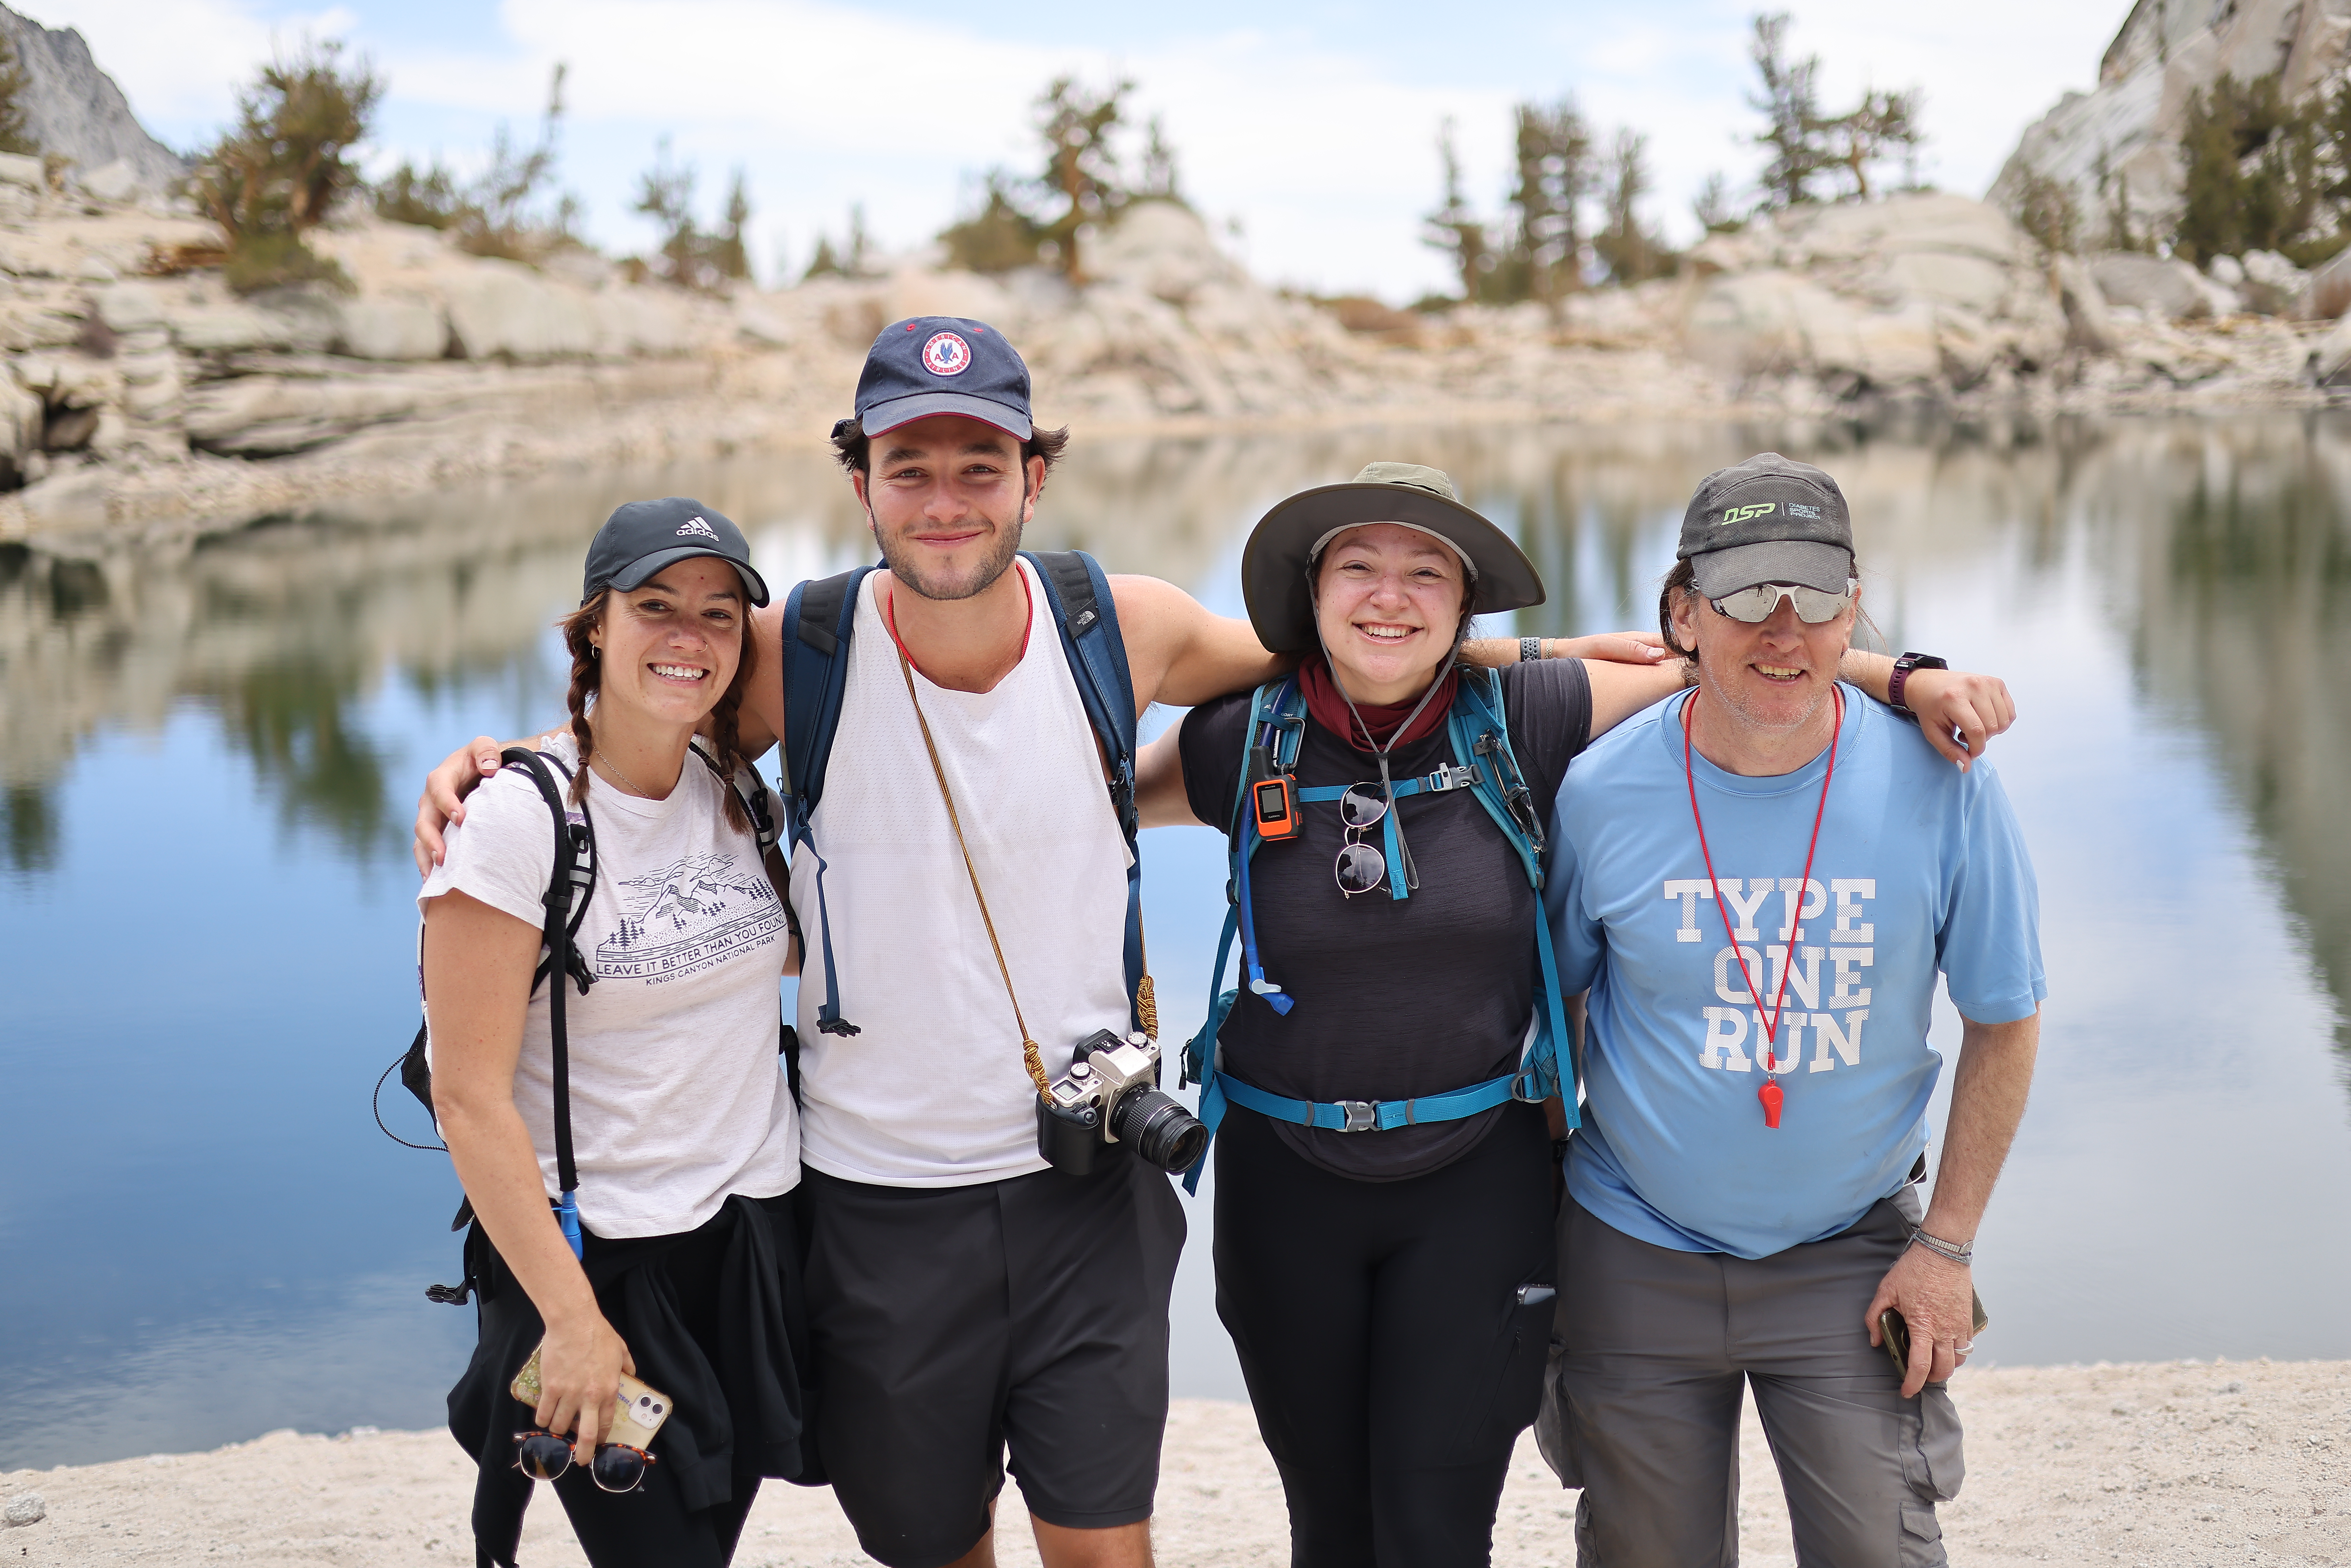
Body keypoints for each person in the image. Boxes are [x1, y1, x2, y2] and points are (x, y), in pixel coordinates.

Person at [414, 317, 1316, 1568]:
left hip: (1063, 1194)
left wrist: (1542, 668)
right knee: (927, 1542)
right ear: (860, 483)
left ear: (1032, 477)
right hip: (866, 1207)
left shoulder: (1115, 624)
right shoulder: (805, 651)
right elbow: (640, 713)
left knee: (1105, 1545)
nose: (945, 502)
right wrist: (500, 769)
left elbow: (1340, 662)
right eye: (909, 468)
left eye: (979, 467)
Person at [1130, 461, 2016, 1567]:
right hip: (1281, 1183)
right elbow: (1101, 800)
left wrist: (1909, 677)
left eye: (1427, 572)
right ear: (1309, 596)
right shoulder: (1239, 738)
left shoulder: (1532, 716)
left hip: (1475, 1179)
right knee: (1328, 1522)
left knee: (1437, 1526)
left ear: (1465, 606)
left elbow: (1740, 661)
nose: (1390, 595)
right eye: (1357, 568)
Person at [1538, 453, 2044, 1567]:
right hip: (1633, 1249)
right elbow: (1558, 1009)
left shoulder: (1946, 783)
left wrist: (1945, 1247)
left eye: (1814, 597)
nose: (1783, 631)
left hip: (1852, 1255)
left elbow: (2003, 1017)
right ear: (1681, 613)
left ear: (1853, 607)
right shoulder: (1598, 790)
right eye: (1745, 597)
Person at [420, 499, 805, 1568]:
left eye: (719, 615)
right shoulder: (513, 820)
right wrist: (572, 1319)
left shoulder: (729, 778)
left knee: (708, 1537)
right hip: (606, 1261)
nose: (690, 637)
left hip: (751, 1238)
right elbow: (467, 1099)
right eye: (655, 607)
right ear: (595, 627)